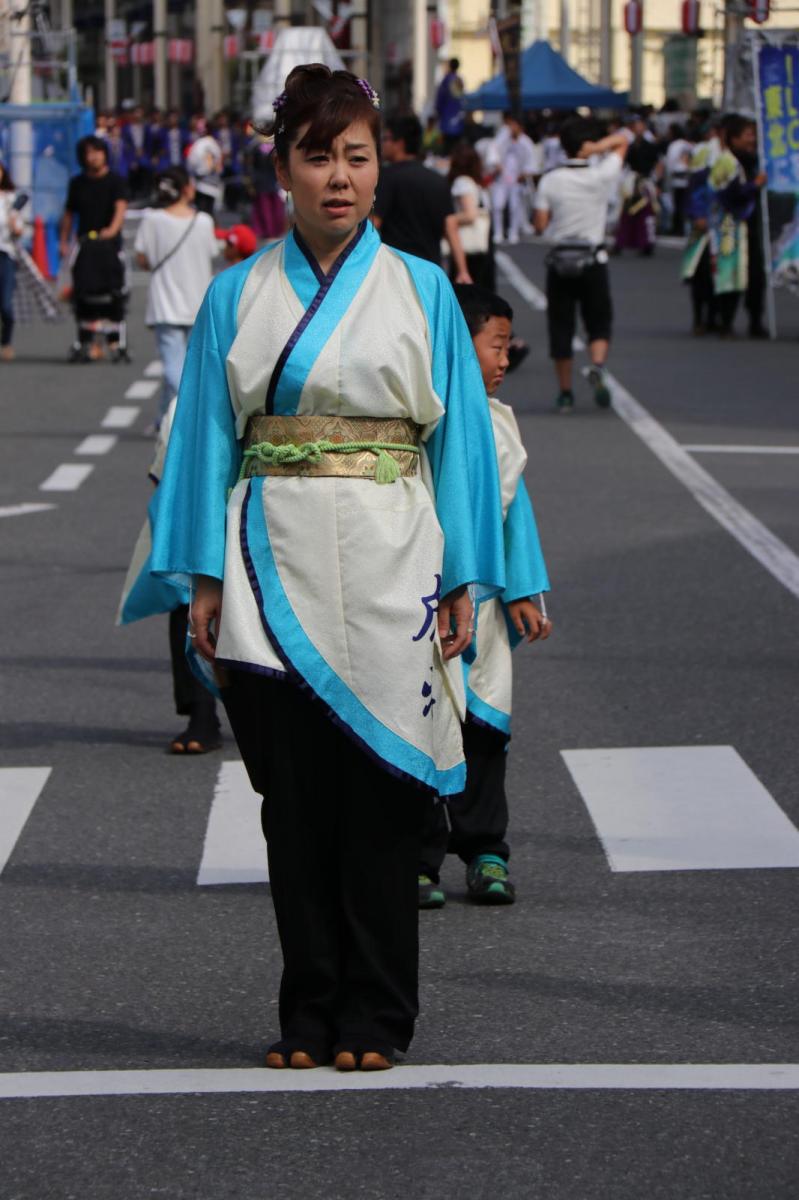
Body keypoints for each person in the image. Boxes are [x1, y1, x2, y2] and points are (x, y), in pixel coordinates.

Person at [149, 65, 505, 1071]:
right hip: (267, 564)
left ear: (381, 166)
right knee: (293, 807)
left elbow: (463, 446)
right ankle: (307, 1010)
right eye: (318, 157)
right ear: (283, 169)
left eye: (356, 156)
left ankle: (378, 1016)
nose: (338, 179)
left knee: (387, 804)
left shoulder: (423, 289)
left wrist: (467, 572)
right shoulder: (235, 294)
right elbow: (203, 447)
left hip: (399, 560)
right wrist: (203, 586)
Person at [418, 285, 551, 910]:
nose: (506, 358)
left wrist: (523, 587)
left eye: (506, 345)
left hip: (485, 604)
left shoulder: (499, 420)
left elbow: (512, 508)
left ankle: (485, 850)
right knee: (416, 726)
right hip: (419, 599)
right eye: (495, 345)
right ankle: (416, 857)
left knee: (485, 726)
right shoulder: (423, 414)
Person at [534, 117, 628, 412]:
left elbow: (540, 223)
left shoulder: (551, 179)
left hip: (560, 260)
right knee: (598, 320)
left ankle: (565, 392)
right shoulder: (601, 175)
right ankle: (597, 365)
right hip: (592, 258)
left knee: (561, 325)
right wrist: (597, 148)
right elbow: (623, 140)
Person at [134, 166, 220, 425]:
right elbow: (212, 253)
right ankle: (177, 419)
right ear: (185, 189)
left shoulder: (151, 219)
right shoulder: (203, 221)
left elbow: (142, 258)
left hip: (165, 302)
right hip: (198, 302)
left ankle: (167, 420)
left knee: (174, 366)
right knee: (189, 366)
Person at [373, 114, 471, 282]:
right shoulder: (438, 180)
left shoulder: (387, 177)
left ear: (400, 143)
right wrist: (463, 270)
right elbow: (451, 227)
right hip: (432, 271)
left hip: (396, 271)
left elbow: (374, 225)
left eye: (386, 138)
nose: (382, 143)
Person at [60, 135, 129, 361]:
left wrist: (111, 229)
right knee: (83, 293)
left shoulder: (115, 181)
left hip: (109, 245)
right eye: (88, 153)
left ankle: (114, 340)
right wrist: (64, 241)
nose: (93, 157)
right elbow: (69, 214)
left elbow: (120, 208)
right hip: (84, 245)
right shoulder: (77, 183)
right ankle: (86, 340)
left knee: (113, 292)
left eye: (97, 151)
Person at [448, 142, 494, 289]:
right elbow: (472, 213)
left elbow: (469, 214)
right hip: (477, 245)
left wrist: (449, 220)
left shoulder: (463, 182)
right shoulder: (471, 183)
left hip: (468, 245)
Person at [490, 113, 538, 245]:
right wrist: (497, 165)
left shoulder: (526, 142)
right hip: (502, 178)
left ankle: (513, 232)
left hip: (517, 179)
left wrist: (524, 174)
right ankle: (498, 232)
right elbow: (493, 153)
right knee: (498, 206)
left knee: (514, 207)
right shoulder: (502, 139)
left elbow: (531, 162)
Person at [0, 162, 23, 363]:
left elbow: (20, 231)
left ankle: (6, 342)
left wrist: (14, 224)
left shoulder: (10, 200)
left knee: (5, 305)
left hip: (5, 255)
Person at [186, 125, 223, 216]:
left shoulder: (199, 143)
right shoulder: (215, 145)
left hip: (201, 183)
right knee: (209, 213)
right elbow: (219, 166)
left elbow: (192, 162)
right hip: (213, 183)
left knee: (200, 214)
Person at [435, 58, 465, 151]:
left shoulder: (446, 80)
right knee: (456, 150)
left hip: (446, 122)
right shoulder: (459, 81)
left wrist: (439, 112)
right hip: (458, 122)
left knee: (446, 150)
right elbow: (462, 100)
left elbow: (440, 99)